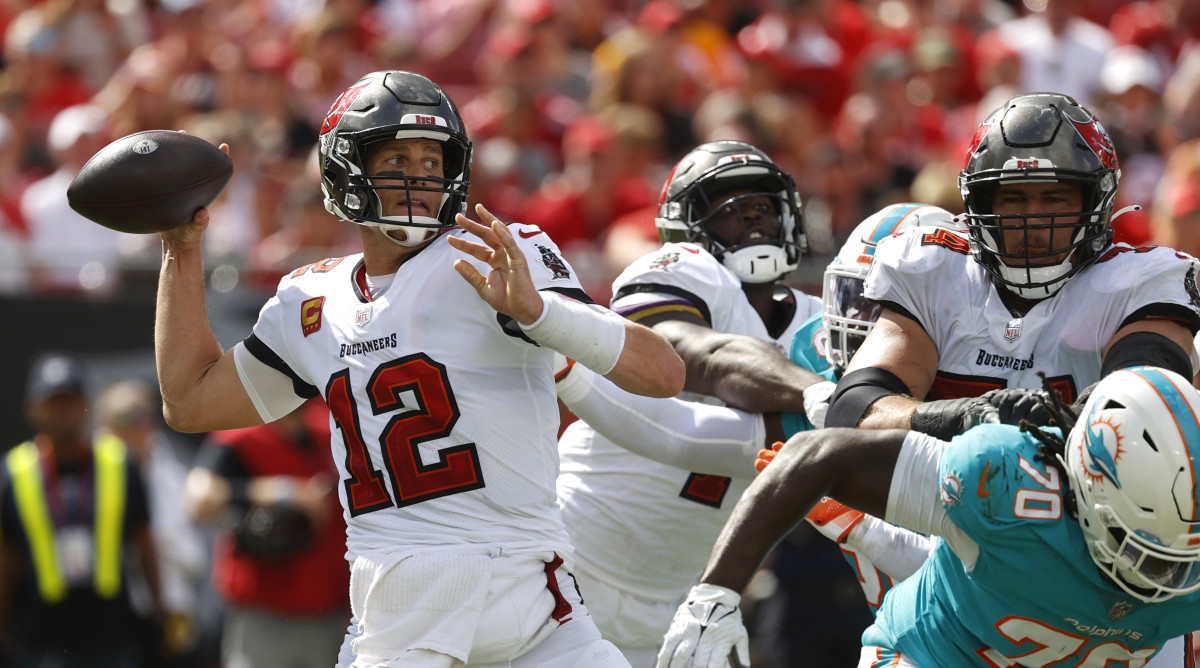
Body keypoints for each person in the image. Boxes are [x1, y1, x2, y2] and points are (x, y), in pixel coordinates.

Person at [152, 69, 684, 668]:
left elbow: (662, 375)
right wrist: (181, 247)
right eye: (397, 157)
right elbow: (190, 401)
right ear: (343, 168)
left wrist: (543, 314)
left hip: (538, 595)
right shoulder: (311, 300)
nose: (418, 178)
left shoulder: (495, 256)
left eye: (433, 162)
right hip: (406, 595)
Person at [822, 91, 1200, 667]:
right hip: (962, 544)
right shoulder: (934, 267)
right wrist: (960, 416)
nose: (1034, 221)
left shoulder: (1141, 282)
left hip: (1104, 556)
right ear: (977, 202)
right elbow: (857, 410)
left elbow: (1141, 400)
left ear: (1095, 203)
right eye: (1015, 199)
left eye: (1055, 197)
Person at [657, 365, 1200, 668]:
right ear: (1083, 486)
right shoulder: (1006, 479)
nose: (1163, 577)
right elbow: (817, 452)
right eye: (1141, 548)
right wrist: (716, 594)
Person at [554, 139, 827, 666]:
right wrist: (821, 396)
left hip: (689, 597)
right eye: (728, 209)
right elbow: (698, 356)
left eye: (763, 207)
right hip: (574, 570)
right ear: (687, 226)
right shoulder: (683, 270)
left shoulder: (819, 323)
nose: (752, 220)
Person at [0, 353, 163, 667]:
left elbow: (144, 540)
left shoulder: (119, 463)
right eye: (53, 402)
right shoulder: (12, 473)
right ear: (32, 409)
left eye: (70, 401)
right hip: (39, 640)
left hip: (110, 636)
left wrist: (159, 608)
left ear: (85, 405)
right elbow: (6, 559)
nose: (63, 411)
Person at [185, 397, 348, 668]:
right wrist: (285, 492)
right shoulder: (242, 436)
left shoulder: (330, 429)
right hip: (265, 614)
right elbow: (199, 500)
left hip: (329, 611)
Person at [94, 378, 207, 666]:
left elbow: (190, 555)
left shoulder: (171, 475)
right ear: (104, 425)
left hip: (168, 618)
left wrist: (172, 611)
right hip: (107, 621)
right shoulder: (86, 479)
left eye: (144, 416)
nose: (138, 425)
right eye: (126, 417)